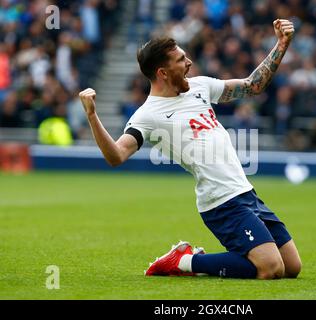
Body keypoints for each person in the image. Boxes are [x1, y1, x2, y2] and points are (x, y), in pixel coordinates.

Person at [79, 19, 301, 279]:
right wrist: (92, 115)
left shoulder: (200, 86)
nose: (189, 63)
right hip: (221, 201)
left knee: (292, 267)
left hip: (245, 192)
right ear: (162, 72)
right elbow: (116, 156)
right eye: (181, 60)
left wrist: (281, 44)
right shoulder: (148, 115)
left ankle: (220, 259)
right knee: (271, 268)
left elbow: (253, 85)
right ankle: (184, 262)